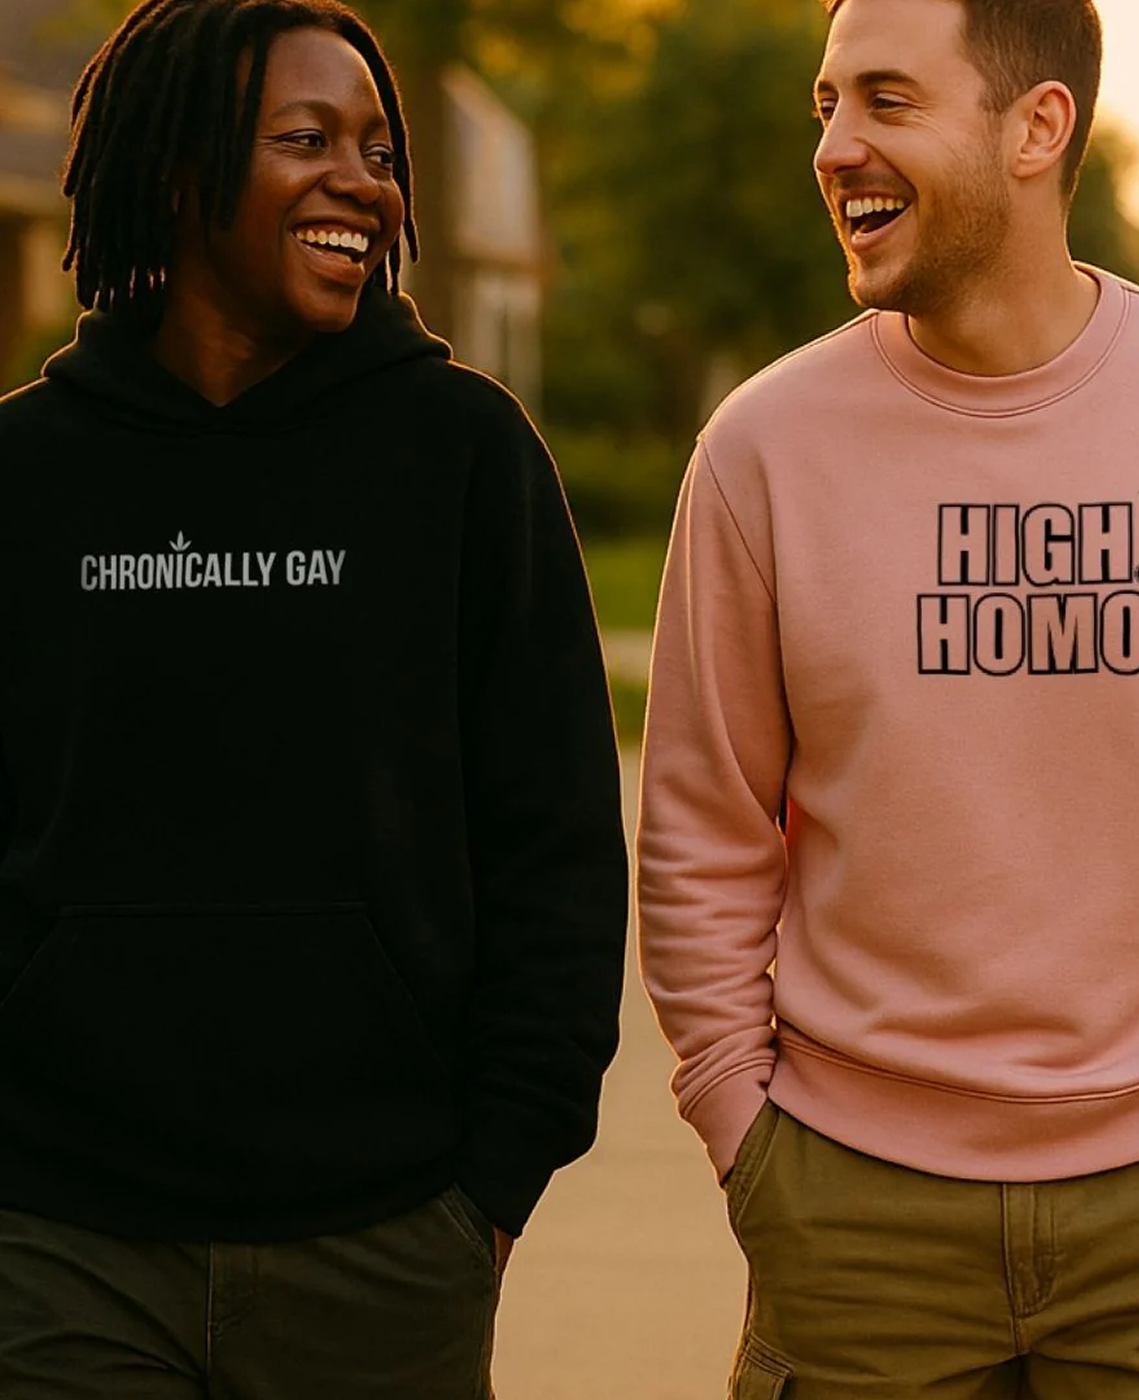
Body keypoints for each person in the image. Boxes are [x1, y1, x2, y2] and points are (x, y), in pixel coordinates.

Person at [636, 0, 1139, 1393]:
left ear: (1037, 126)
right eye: (826, 105)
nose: (836, 147)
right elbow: (702, 833)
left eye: (885, 100)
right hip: (855, 1224)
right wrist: (744, 1130)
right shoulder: (759, 453)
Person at [0, 1, 628, 1396]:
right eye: (307, 139)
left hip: (387, 1246)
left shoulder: (464, 458)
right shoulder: (27, 477)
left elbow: (559, 852)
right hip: (60, 1252)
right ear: (176, 171)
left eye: (378, 147)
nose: (366, 180)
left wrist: (490, 1191)